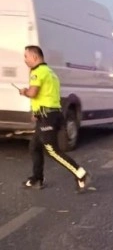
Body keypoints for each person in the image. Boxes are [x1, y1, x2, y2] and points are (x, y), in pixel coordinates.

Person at [19, 45, 90, 192]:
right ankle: (37, 179)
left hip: (47, 117)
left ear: (34, 57)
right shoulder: (50, 72)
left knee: (52, 151)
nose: (24, 60)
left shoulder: (37, 72)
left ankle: (80, 174)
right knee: (34, 146)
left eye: (26, 56)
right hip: (51, 114)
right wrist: (36, 112)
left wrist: (24, 91)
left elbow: (33, 93)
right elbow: (47, 96)